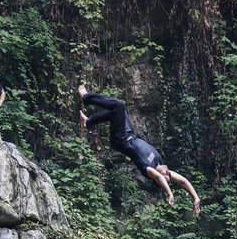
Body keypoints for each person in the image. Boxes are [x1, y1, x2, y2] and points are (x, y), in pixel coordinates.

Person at [78, 85, 201, 214]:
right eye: (168, 175)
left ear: (158, 177)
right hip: (128, 133)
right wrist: (195, 198)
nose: (168, 174)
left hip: (120, 139)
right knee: (117, 111)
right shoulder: (160, 164)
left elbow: (159, 177)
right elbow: (183, 181)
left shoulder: (147, 168)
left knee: (118, 105)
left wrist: (169, 193)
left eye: (166, 178)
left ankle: (86, 97)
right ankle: (88, 121)